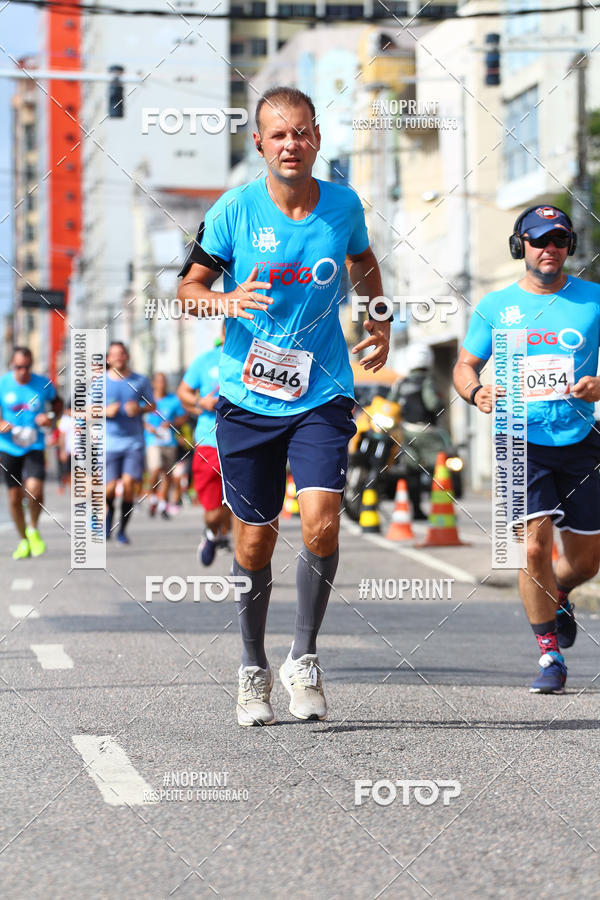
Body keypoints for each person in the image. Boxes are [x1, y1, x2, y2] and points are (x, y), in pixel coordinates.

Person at [178, 85, 390, 726]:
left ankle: (304, 657)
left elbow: (365, 261)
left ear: (317, 137)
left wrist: (378, 319)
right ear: (260, 145)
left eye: (301, 132)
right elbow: (188, 289)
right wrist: (224, 301)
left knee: (322, 520)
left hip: (322, 389)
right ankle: (251, 667)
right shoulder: (234, 212)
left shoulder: (344, 206)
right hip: (247, 397)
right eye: (278, 135)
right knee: (253, 544)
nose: (291, 144)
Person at [453, 204, 600, 694]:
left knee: (585, 562)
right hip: (519, 440)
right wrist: (476, 391)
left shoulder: (593, 299)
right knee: (532, 546)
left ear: (569, 247)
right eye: (539, 240)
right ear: (521, 247)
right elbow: (464, 365)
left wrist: (598, 386)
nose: (549, 249)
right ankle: (549, 656)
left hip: (580, 441)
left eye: (558, 240)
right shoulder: (496, 307)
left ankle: (560, 594)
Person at [0, 346, 62, 558]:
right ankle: (23, 540)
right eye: (18, 367)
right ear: (12, 366)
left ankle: (33, 528)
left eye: (27, 367)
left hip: (35, 445)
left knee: (35, 490)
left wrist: (50, 418)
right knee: (14, 497)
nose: (23, 371)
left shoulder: (43, 383)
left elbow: (58, 404)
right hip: (8, 446)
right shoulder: (3, 383)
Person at [177, 334, 231, 565]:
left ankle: (241, 566)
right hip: (209, 443)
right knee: (213, 511)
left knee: (243, 506)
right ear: (224, 332)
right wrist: (200, 403)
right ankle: (212, 533)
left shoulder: (256, 356)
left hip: (246, 444)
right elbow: (183, 393)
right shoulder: (206, 360)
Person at [105, 342, 155, 544]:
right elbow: (86, 409)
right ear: (108, 358)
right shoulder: (100, 382)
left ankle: (122, 530)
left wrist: (140, 409)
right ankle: (107, 522)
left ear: (127, 356)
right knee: (108, 489)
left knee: (128, 487)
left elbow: (152, 405)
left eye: (122, 354)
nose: (118, 358)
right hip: (108, 443)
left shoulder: (140, 380)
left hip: (133, 442)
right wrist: (104, 412)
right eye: (114, 355)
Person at [389, 342, 444, 519]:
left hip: (406, 432)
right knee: (439, 470)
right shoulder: (428, 381)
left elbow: (390, 405)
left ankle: (417, 510)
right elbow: (432, 404)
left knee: (412, 472)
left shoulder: (400, 383)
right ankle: (440, 508)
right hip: (427, 432)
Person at [145, 373, 186, 520]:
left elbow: (183, 417)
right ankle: (152, 496)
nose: (161, 384)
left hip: (169, 442)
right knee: (156, 468)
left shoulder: (173, 400)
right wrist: (147, 426)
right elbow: (138, 416)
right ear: (154, 383)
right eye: (158, 381)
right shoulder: (148, 400)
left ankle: (162, 503)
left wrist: (172, 423)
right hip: (152, 441)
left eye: (164, 381)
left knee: (166, 475)